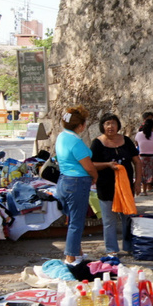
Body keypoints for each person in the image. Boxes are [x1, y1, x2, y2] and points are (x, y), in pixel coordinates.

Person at [91, 113, 143, 256]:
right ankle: (111, 249)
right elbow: (91, 164)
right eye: (107, 123)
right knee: (109, 220)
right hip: (106, 187)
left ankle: (130, 246)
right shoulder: (97, 143)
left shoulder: (126, 140)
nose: (110, 126)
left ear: (118, 125)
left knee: (128, 217)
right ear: (102, 126)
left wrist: (138, 182)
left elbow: (137, 161)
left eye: (113, 123)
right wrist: (107, 164)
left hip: (126, 188)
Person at [54, 106, 99, 265]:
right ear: (81, 126)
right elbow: (88, 166)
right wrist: (95, 176)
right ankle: (71, 257)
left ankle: (76, 252)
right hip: (77, 182)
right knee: (77, 222)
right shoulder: (76, 141)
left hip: (64, 181)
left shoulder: (61, 136)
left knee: (72, 219)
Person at [134, 118, 153, 196]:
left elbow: (137, 144)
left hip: (143, 157)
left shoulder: (138, 134)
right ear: (152, 126)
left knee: (144, 174)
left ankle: (144, 191)